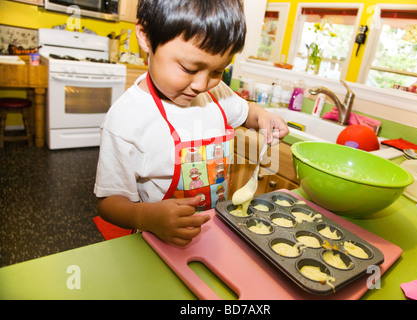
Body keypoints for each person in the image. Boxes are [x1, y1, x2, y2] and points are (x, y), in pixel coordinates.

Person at [94, 0, 289, 246]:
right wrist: (145, 217)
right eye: (188, 68)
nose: (201, 85)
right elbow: (109, 203)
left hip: (215, 231)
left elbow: (246, 111)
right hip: (157, 240)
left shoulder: (215, 95)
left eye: (218, 71)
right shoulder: (126, 119)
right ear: (145, 36)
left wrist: (262, 115)